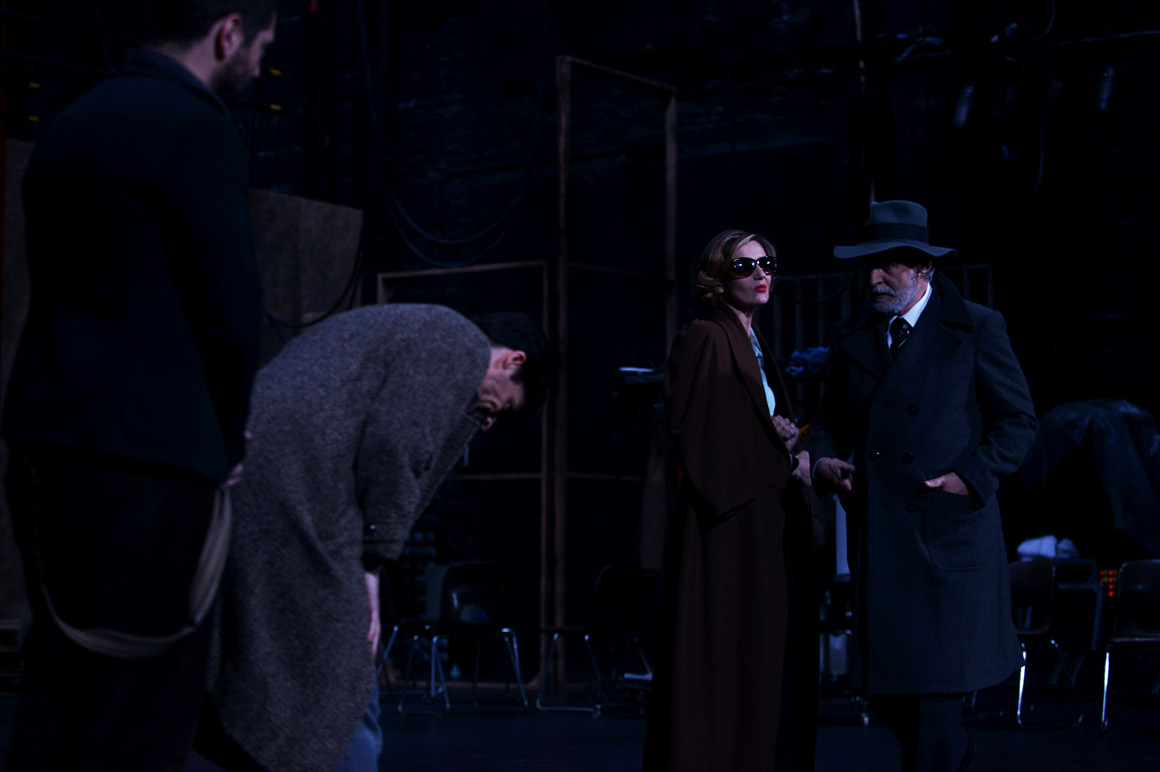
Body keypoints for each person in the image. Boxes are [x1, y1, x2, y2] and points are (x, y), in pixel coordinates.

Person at [1, 1, 276, 770]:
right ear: (228, 32)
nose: (261, 67)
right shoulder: (196, 128)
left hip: (45, 446)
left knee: (61, 687)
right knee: (145, 708)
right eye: (261, 46)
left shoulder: (70, 125)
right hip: (152, 459)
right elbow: (230, 312)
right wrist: (226, 441)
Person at [197, 304, 548, 772]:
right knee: (348, 662)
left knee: (262, 646)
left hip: (254, 471)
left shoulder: (402, 328)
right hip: (298, 486)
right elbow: (397, 443)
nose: (488, 422)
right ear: (512, 360)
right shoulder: (457, 340)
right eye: (504, 406)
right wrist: (372, 560)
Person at [807, 201, 1038, 772]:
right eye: (867, 266)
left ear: (924, 268)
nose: (873, 279)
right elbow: (830, 420)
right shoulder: (852, 333)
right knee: (891, 697)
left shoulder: (976, 327)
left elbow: (1018, 421)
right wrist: (826, 460)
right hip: (882, 542)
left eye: (887, 265)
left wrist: (971, 477)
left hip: (946, 538)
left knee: (935, 710)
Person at [643, 230, 818, 772]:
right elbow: (700, 437)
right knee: (725, 663)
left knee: (764, 664)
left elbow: (741, 425)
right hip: (728, 528)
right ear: (717, 280)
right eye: (745, 266)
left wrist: (779, 437)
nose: (761, 274)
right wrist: (783, 459)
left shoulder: (753, 341)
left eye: (768, 264)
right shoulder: (705, 336)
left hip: (762, 523)